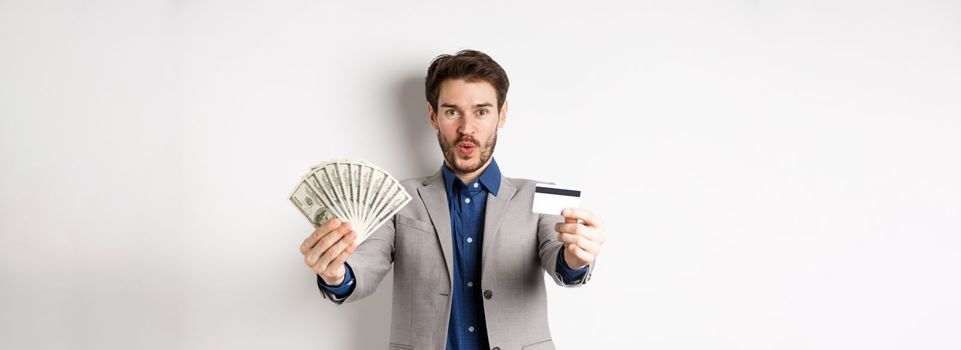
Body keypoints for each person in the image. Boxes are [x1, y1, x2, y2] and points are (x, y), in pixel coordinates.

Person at [298, 49, 607, 350]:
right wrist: (336, 273)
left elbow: (562, 260)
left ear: (503, 114)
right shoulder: (397, 197)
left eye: (481, 111)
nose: (466, 128)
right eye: (452, 111)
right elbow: (363, 268)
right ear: (433, 116)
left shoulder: (544, 194)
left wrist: (577, 258)